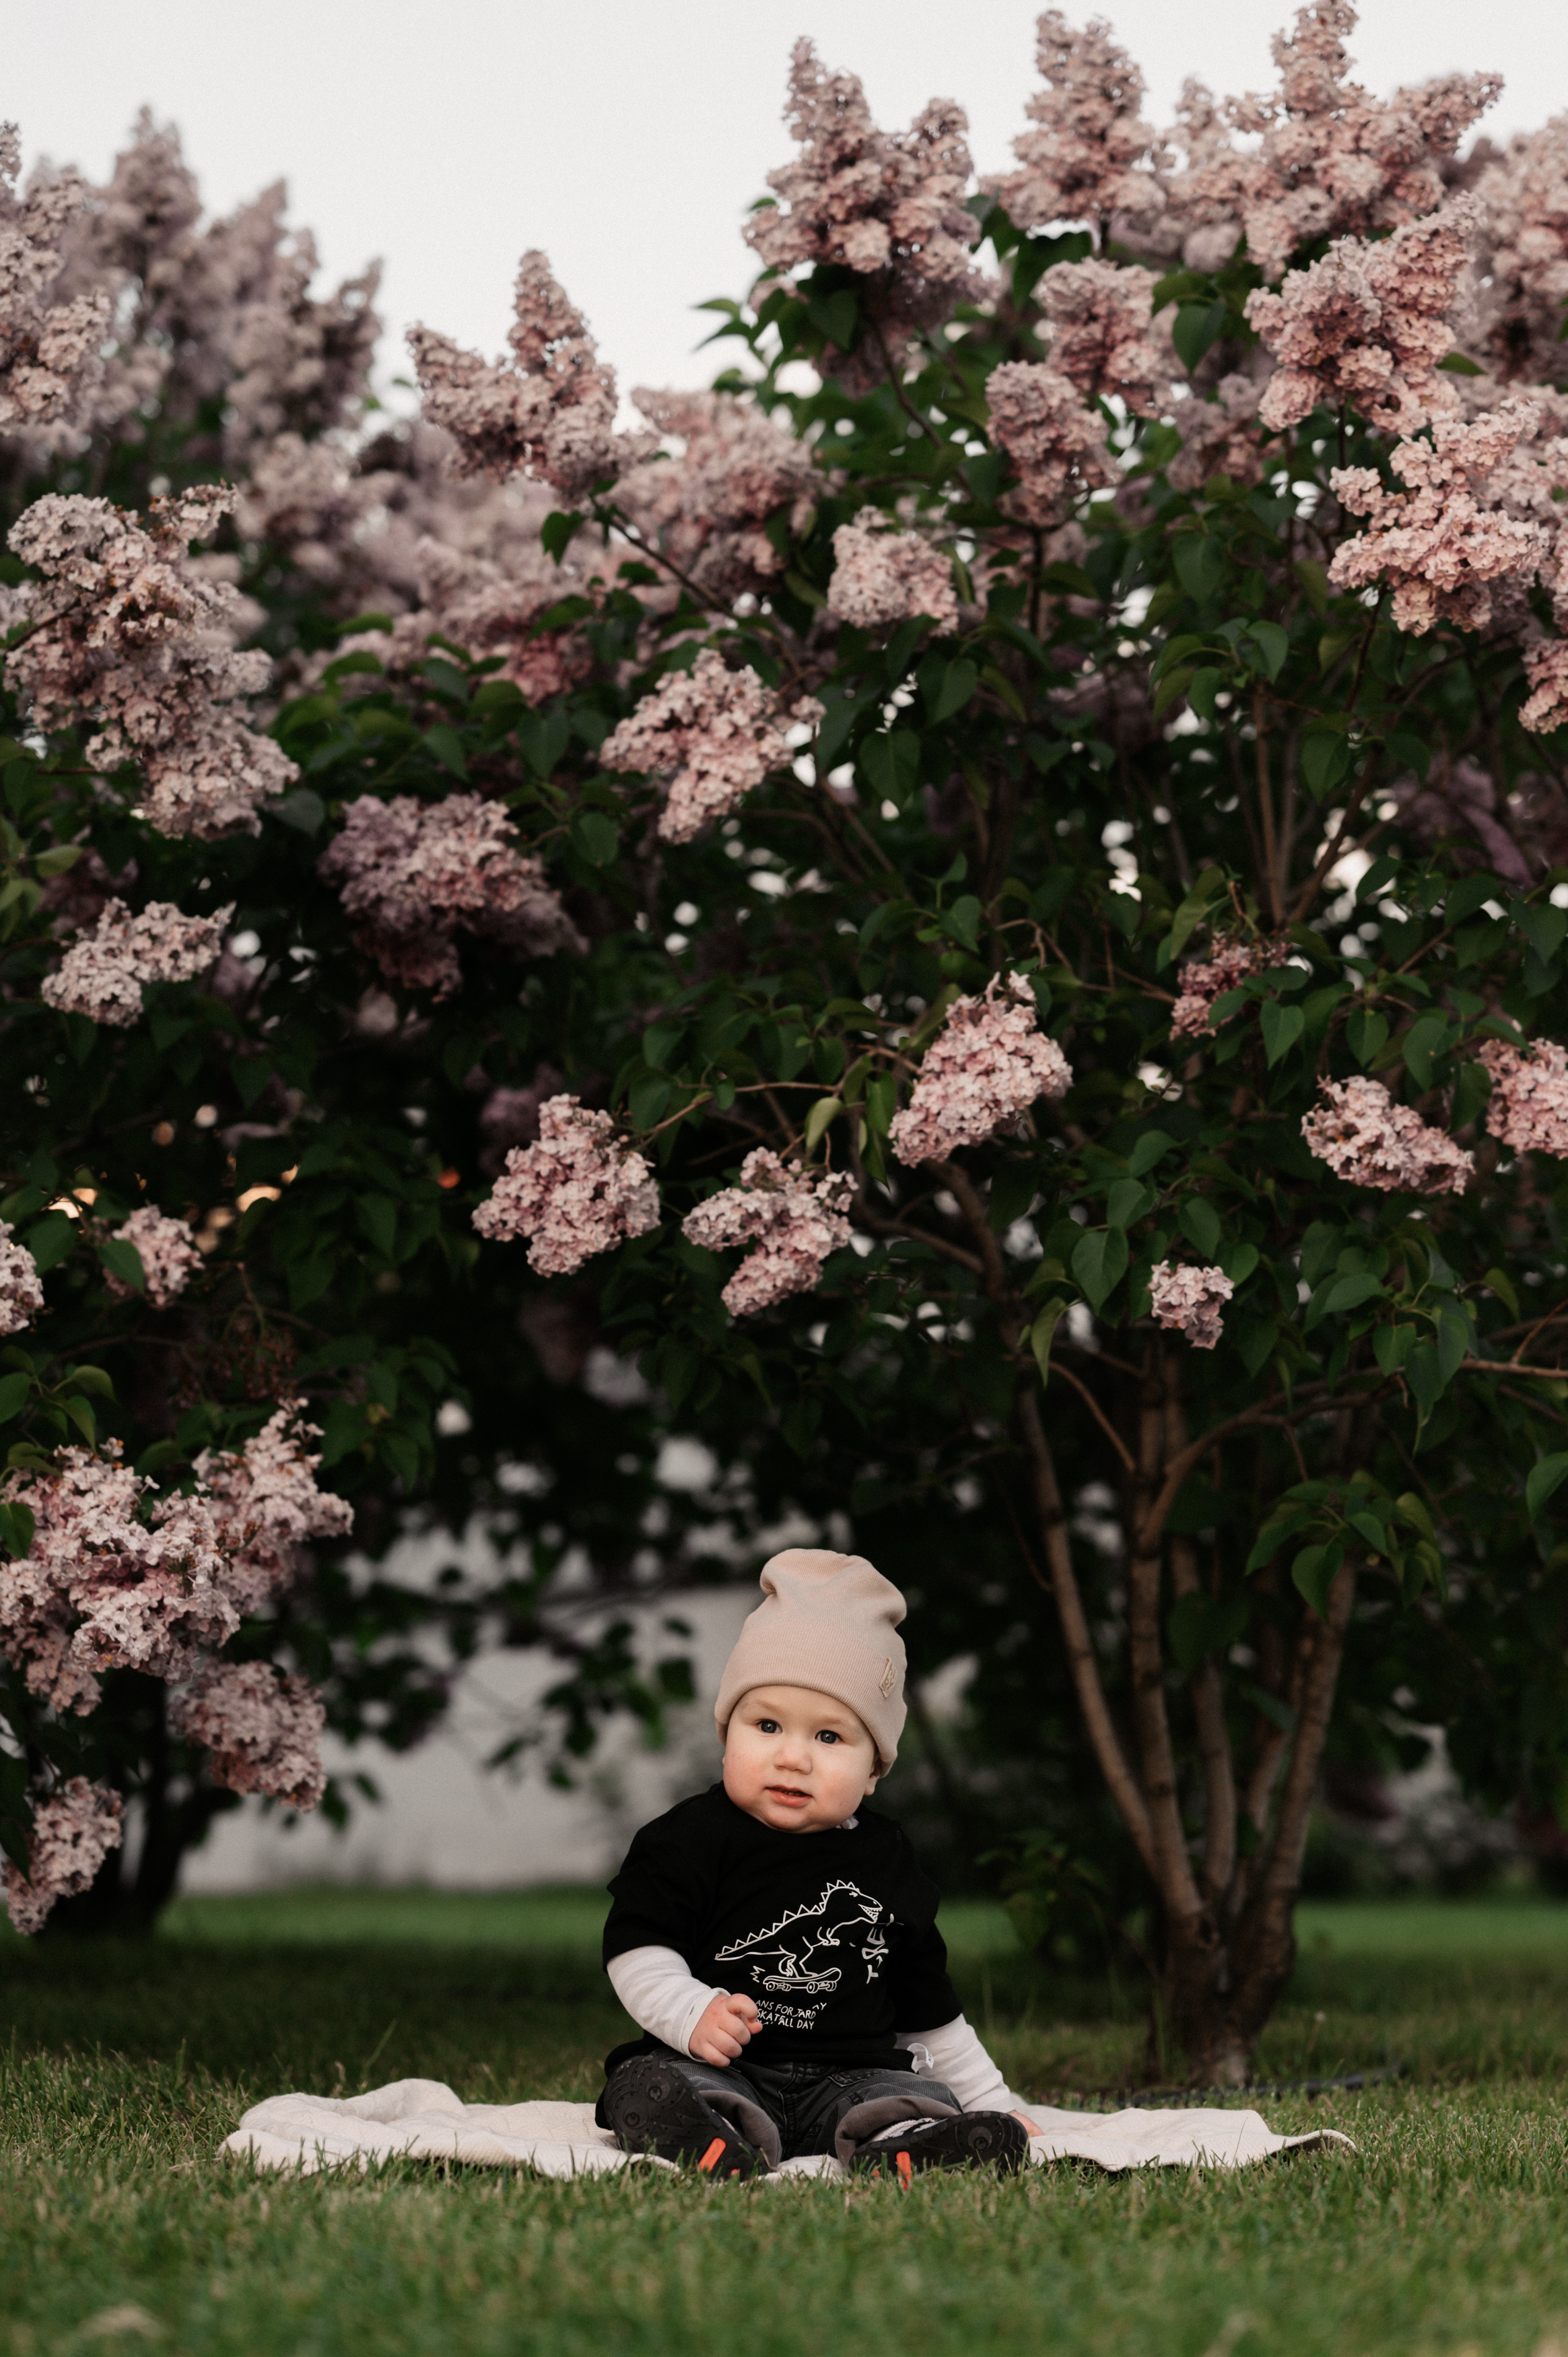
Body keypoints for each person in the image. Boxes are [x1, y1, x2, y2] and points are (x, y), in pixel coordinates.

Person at [595, 1547, 1044, 2180]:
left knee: (906, 2096)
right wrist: (689, 2012)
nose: (792, 1758)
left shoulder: (886, 1862)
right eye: (768, 1725)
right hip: (724, 2067)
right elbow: (636, 1947)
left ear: (873, 1770)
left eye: (829, 1737)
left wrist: (996, 2104)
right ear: (728, 1733)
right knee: (652, 2080)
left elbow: (930, 2011)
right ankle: (708, 2134)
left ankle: (906, 2144)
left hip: (850, 2081)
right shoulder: (687, 1838)